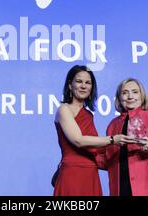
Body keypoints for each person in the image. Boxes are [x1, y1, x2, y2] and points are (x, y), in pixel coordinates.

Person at [53, 65, 129, 196]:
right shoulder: (64, 109)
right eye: (79, 81)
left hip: (91, 173)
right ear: (70, 85)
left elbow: (95, 149)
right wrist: (113, 139)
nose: (83, 86)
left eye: (88, 83)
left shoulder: (88, 115)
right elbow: (78, 140)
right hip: (72, 174)